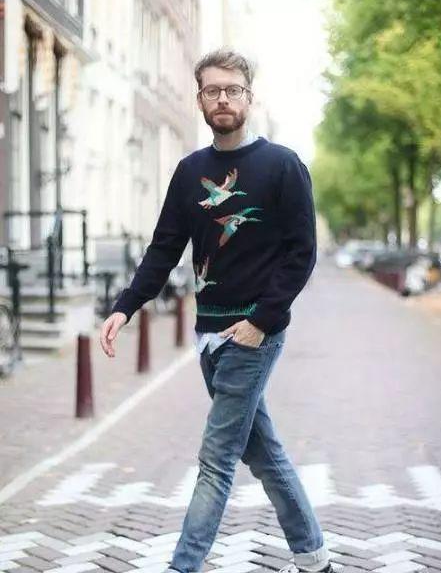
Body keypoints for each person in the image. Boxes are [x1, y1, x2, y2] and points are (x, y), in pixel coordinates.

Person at [100, 48, 332, 573]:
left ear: (249, 97)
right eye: (212, 90)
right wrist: (126, 306)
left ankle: (183, 565)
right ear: (200, 99)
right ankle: (315, 559)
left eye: (232, 90)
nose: (222, 99)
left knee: (216, 459)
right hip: (207, 335)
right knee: (264, 454)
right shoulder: (190, 172)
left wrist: (260, 322)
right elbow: (165, 248)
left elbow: (302, 254)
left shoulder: (283, 166)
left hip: (253, 333)